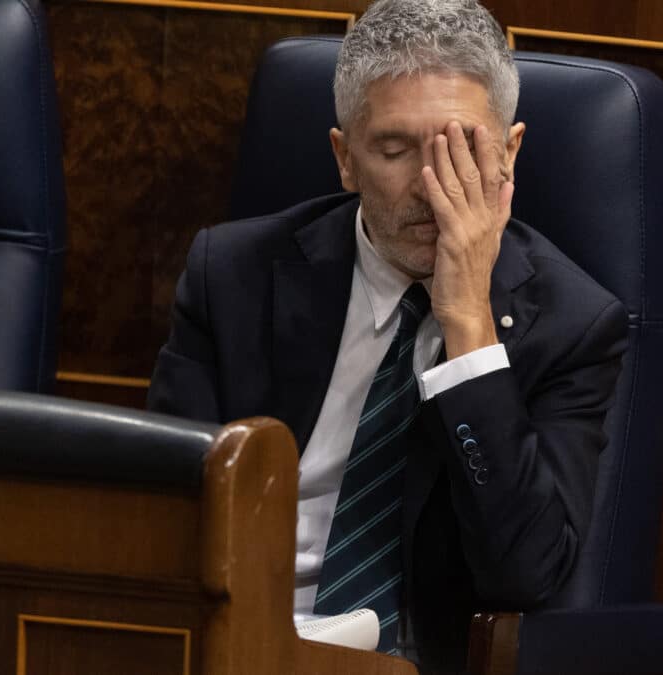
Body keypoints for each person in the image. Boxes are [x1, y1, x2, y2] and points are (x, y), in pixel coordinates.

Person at [146, 0, 628, 672]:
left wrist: (469, 328)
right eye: (396, 150)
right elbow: (161, 518)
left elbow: (525, 575)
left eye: (462, 149)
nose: (432, 189)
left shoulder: (574, 325)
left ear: (510, 154)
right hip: (230, 641)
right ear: (345, 159)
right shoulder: (232, 276)